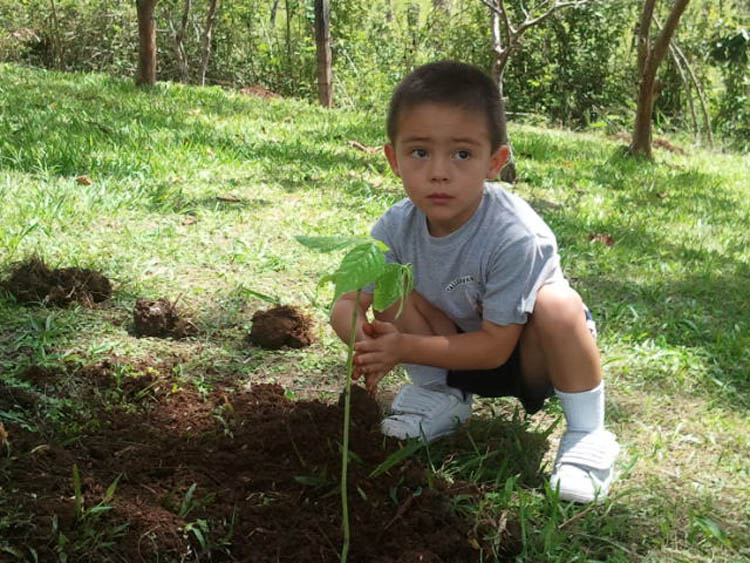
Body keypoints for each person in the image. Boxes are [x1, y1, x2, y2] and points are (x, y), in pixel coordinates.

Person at [329, 61, 619, 504]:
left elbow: (496, 347)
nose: (439, 172)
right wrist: (363, 339)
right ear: (393, 158)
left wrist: (401, 347)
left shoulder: (516, 234)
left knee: (558, 305)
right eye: (419, 152)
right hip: (450, 351)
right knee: (391, 285)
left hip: (528, 355)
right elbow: (349, 301)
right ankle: (440, 396)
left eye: (462, 154)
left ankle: (586, 433)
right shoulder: (393, 227)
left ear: (495, 161)